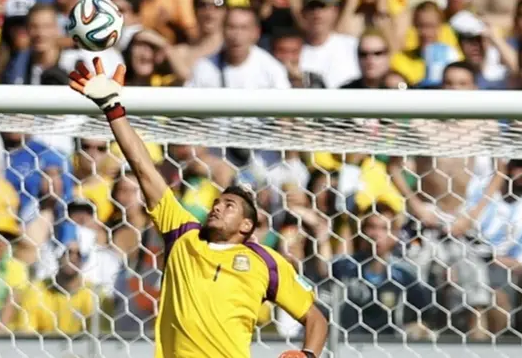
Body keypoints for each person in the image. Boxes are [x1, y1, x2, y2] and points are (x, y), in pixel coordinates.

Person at [68, 57, 328, 358]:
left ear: (247, 226)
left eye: (229, 206)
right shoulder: (183, 235)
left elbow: (316, 318)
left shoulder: (265, 262)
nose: (216, 208)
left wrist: (308, 354)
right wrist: (113, 108)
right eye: (216, 203)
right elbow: (142, 167)